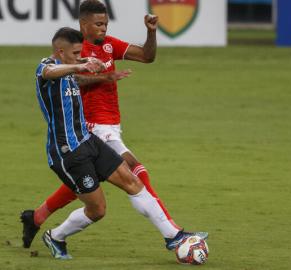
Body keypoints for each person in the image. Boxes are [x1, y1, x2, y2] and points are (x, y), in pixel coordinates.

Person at [21, 0, 195, 250]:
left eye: (106, 23)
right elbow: (53, 73)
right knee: (133, 170)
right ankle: (173, 233)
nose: (103, 28)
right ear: (83, 24)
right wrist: (97, 73)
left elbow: (147, 56)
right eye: (98, 24)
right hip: (88, 129)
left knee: (90, 188)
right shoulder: (63, 58)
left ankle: (38, 219)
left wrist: (151, 32)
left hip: (105, 127)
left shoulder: (105, 45)